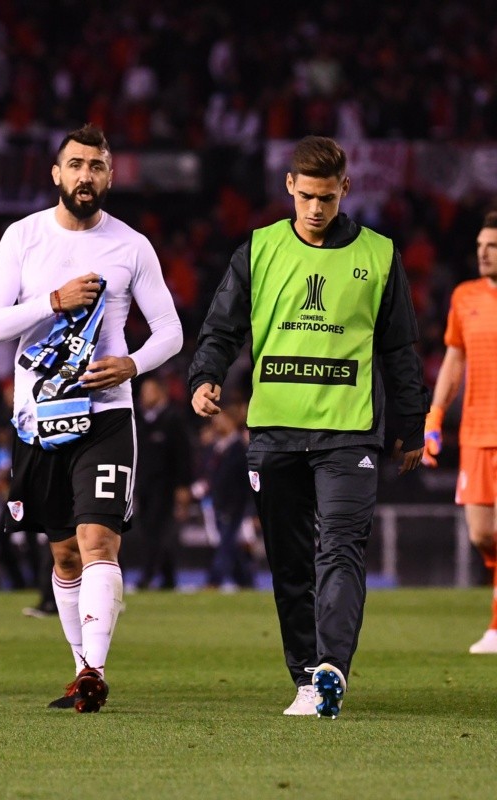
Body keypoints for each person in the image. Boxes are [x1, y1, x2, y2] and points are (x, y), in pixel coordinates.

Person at [189, 135, 428, 718]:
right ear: (290, 187)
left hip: (351, 434)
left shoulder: (379, 255)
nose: (316, 209)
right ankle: (304, 675)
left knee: (341, 549)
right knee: (290, 561)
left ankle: (331, 671)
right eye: (307, 197)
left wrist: (412, 423)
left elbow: (400, 348)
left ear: (344, 189)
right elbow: (223, 324)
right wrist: (205, 376)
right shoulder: (259, 250)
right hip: (274, 432)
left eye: (327, 197)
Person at [0, 123, 182, 712]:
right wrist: (51, 301)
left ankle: (95, 671)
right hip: (37, 417)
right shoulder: (22, 238)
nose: (85, 175)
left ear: (109, 175)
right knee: (63, 552)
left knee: (98, 541)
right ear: (56, 174)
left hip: (106, 415)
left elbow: (170, 331)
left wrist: (131, 365)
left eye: (96, 166)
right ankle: (79, 666)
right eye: (75, 165)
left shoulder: (132, 246)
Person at [423, 210, 497, 654]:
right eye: (481, 247)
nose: (484, 253)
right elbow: (454, 360)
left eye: (493, 247)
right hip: (475, 432)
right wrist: (434, 418)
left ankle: (495, 625)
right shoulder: (465, 296)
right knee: (481, 534)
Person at [133, 374, 192, 590]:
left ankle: (147, 576)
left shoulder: (173, 419)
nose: (144, 396)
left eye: (149, 391)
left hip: (166, 486)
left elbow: (184, 455)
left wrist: (183, 486)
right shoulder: (140, 420)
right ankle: (168, 578)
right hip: (144, 485)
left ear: (161, 392)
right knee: (149, 530)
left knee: (156, 531)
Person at [203, 399, 257, 591]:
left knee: (225, 545)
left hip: (235, 505)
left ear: (232, 422)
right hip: (219, 503)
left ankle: (213, 581)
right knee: (231, 546)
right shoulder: (217, 447)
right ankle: (246, 581)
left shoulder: (240, 448)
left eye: (222, 419)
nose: (217, 423)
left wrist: (252, 510)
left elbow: (247, 481)